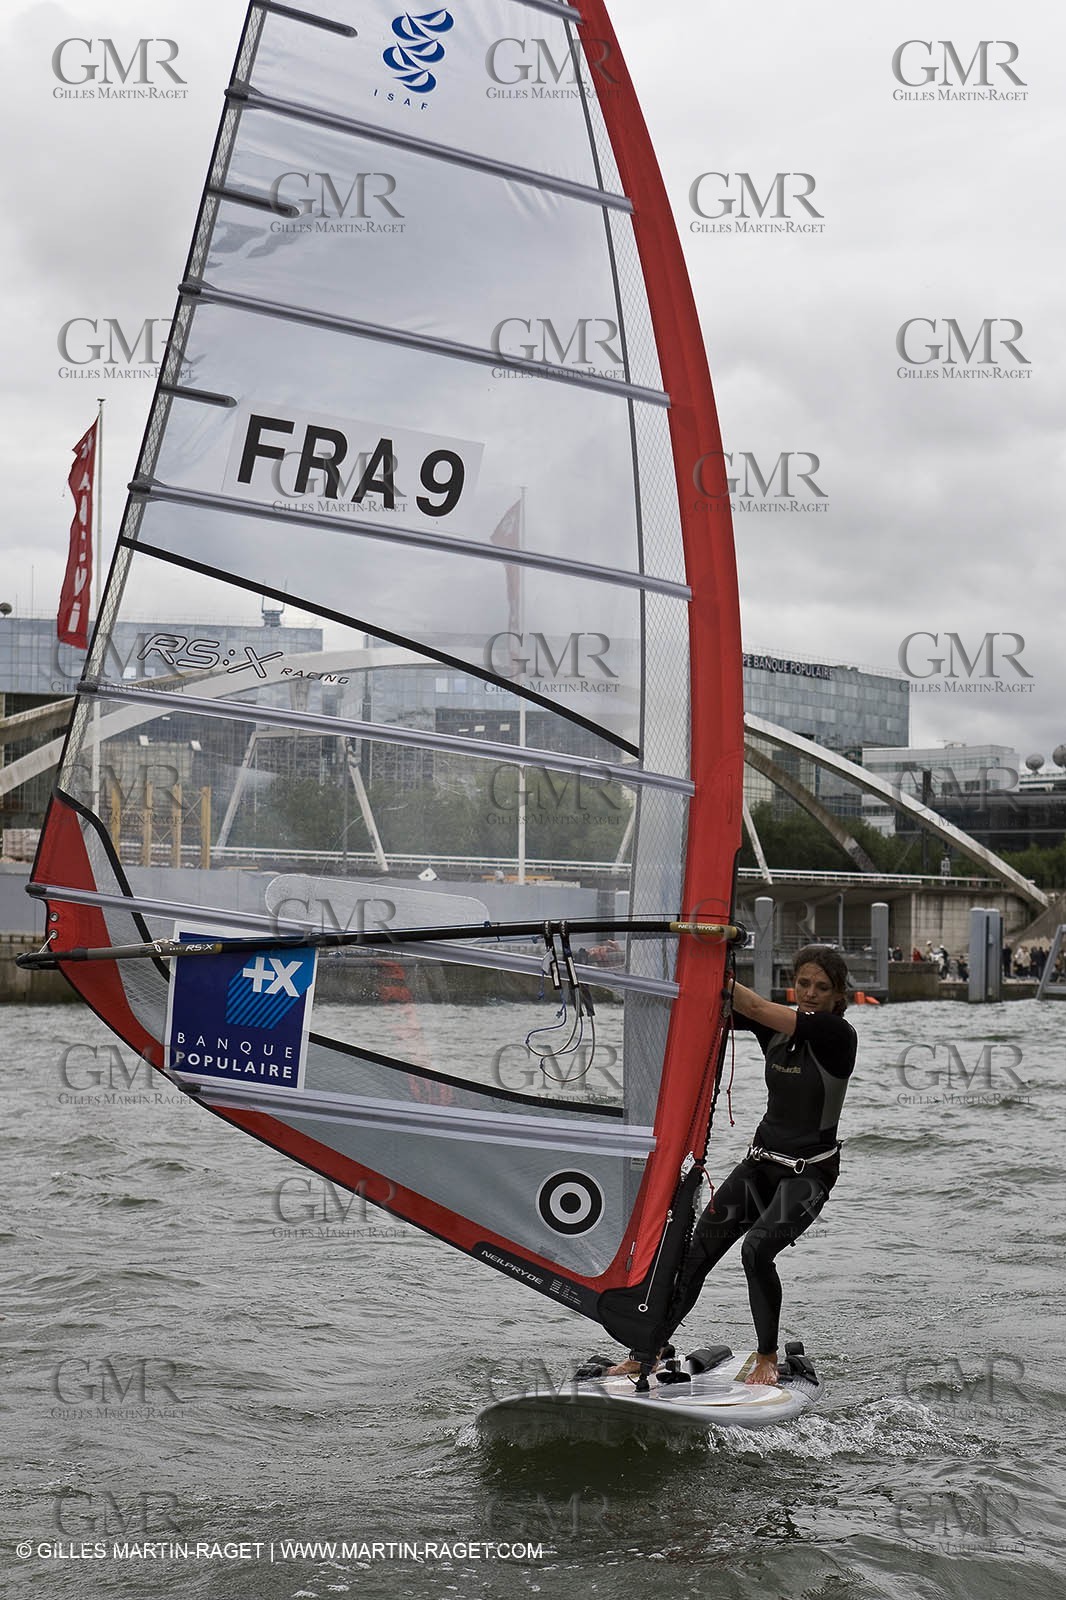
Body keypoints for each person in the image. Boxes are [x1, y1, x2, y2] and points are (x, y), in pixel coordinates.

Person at [607, 946, 857, 1385]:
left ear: (838, 996)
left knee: (756, 1250)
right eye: (803, 984)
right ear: (792, 984)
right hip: (760, 1165)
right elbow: (709, 1005)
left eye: (822, 988)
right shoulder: (776, 1030)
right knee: (694, 1252)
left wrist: (710, 955)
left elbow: (752, 1004)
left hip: (808, 1174)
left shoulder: (838, 1035)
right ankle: (650, 1348)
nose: (811, 994)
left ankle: (766, 1355)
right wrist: (644, 972)